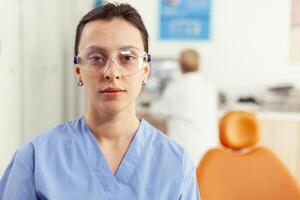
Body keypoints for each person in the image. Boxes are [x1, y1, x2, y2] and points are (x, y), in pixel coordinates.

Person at [0, 3, 200, 200]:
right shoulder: (35, 160)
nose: (112, 73)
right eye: (96, 58)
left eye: (127, 57)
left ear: (145, 71)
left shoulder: (175, 164)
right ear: (78, 71)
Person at [149, 49, 218, 165]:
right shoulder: (209, 86)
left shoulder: (176, 87)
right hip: (209, 149)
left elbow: (156, 112)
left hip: (186, 148)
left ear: (180, 65)